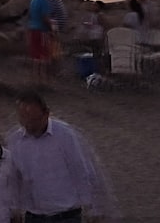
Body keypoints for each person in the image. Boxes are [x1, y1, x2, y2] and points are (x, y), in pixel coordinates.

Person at [6, 90, 117, 223]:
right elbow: (13, 178)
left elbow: (82, 172)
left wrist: (94, 209)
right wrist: (14, 208)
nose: (28, 125)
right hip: (34, 216)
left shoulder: (66, 135)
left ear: (46, 114)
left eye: (33, 120)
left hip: (66, 216)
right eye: (23, 119)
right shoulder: (15, 140)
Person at [27, 0, 54, 82]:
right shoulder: (44, 2)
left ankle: (34, 78)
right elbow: (45, 18)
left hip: (32, 29)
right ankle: (43, 79)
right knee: (44, 55)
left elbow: (29, 14)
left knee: (35, 55)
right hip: (41, 31)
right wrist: (51, 29)